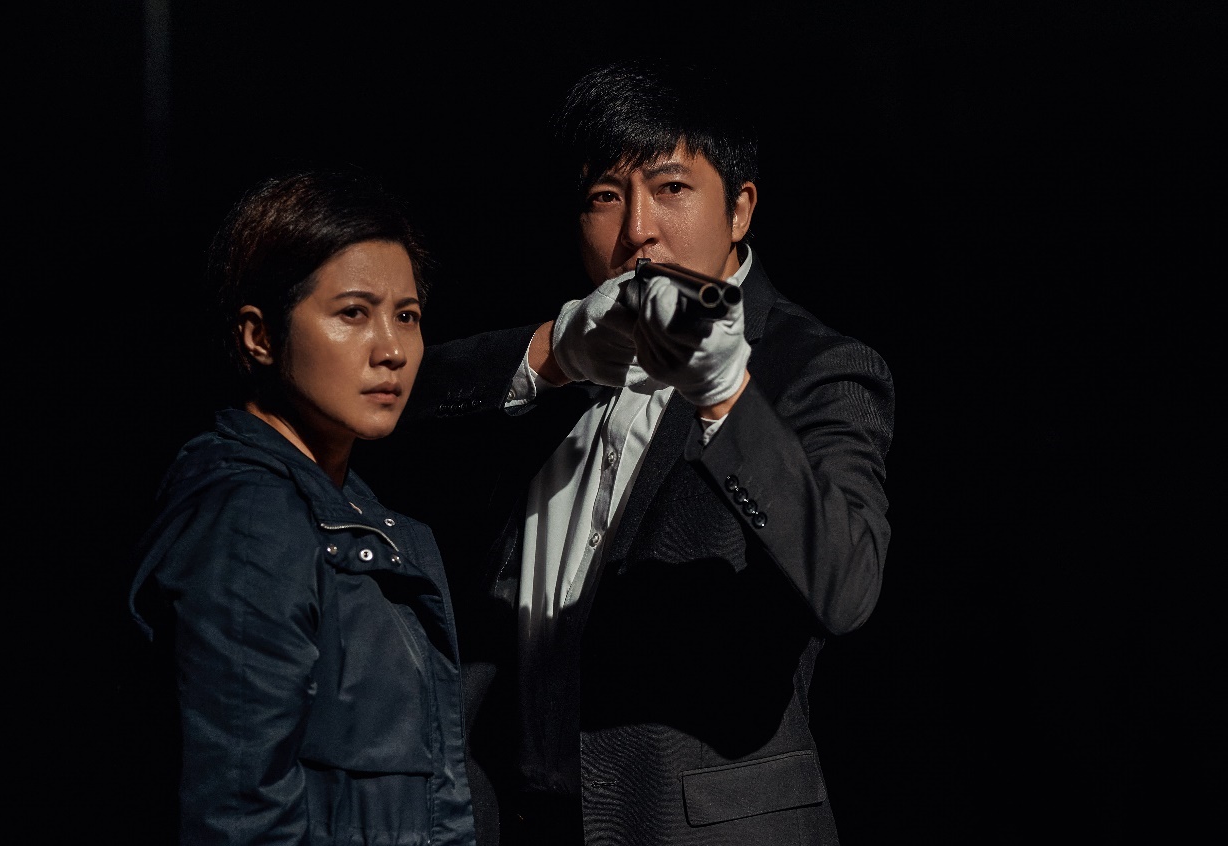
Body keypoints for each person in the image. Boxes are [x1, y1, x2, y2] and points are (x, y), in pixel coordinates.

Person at [354, 58, 894, 846]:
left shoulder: (812, 365)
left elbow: (847, 585)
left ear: (739, 208)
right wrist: (551, 353)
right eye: (605, 196)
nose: (637, 227)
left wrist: (725, 398)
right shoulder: (573, 353)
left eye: (670, 187)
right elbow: (380, 402)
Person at [127, 167, 478, 846]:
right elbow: (239, 815)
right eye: (353, 313)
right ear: (259, 336)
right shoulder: (249, 517)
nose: (391, 350)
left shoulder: (354, 515)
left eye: (406, 316)